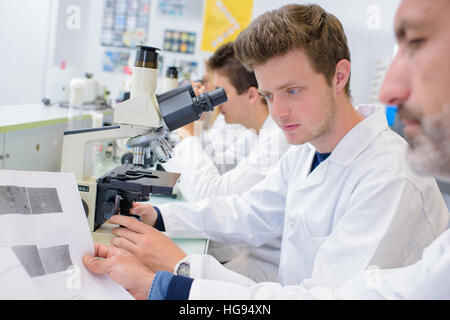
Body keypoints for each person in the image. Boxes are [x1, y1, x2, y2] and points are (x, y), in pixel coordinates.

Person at [83, 3, 449, 300]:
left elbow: (327, 296)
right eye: (271, 95)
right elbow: (252, 212)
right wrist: (160, 218)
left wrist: (180, 275)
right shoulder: (307, 149)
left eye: (293, 90)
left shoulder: (388, 175)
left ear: (339, 76)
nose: (278, 112)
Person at [152, 42, 290, 282]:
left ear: (250, 94)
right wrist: (191, 123)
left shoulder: (276, 142)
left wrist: (187, 134)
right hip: (248, 251)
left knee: (163, 276)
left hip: (265, 268)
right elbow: (217, 164)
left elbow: (212, 194)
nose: (215, 103)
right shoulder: (256, 133)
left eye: (219, 92)